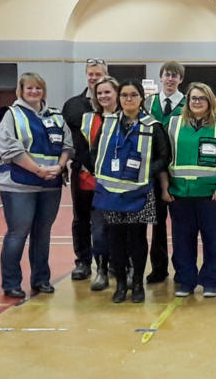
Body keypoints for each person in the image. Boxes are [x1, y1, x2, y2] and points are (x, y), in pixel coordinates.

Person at [0, 72, 73, 299]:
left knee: (42, 234)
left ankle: (41, 279)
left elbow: (67, 144)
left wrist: (59, 166)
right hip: (19, 185)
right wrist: (38, 171)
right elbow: (10, 149)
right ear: (21, 90)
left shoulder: (56, 116)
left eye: (38, 88)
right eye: (29, 88)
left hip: (51, 184)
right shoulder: (11, 115)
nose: (34, 92)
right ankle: (11, 283)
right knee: (18, 233)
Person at [92, 80, 170, 304]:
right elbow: (95, 152)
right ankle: (120, 285)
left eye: (133, 95)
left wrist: (145, 173)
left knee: (137, 239)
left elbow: (164, 157)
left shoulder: (152, 126)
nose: (128, 99)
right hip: (112, 192)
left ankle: (137, 283)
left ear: (141, 99)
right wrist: (102, 174)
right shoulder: (108, 123)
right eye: (124, 95)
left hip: (140, 192)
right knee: (115, 240)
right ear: (119, 98)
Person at [165, 82, 216, 298]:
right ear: (187, 101)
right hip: (180, 194)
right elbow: (164, 157)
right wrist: (164, 187)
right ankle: (185, 280)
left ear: (210, 101)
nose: (197, 102)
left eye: (201, 98)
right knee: (182, 240)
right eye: (193, 98)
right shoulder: (174, 124)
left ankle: (210, 281)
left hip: (212, 195)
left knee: (213, 239)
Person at [62, 58, 107, 282]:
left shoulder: (113, 107)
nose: (93, 78)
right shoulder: (72, 105)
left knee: (104, 222)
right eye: (90, 74)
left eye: (98, 74)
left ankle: (104, 265)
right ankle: (82, 262)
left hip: (108, 177)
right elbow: (63, 139)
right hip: (81, 174)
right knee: (80, 220)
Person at [77, 76, 121, 291]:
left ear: (117, 94)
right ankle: (101, 270)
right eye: (99, 93)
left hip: (123, 187)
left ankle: (124, 269)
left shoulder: (128, 118)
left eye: (108, 92)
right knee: (100, 231)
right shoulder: (88, 119)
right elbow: (82, 150)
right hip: (95, 186)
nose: (103, 96)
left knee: (123, 232)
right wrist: (99, 169)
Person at [143, 61, 186, 284]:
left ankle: (182, 268)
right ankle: (159, 268)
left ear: (181, 80)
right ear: (160, 77)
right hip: (154, 171)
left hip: (178, 172)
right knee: (157, 224)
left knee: (180, 226)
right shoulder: (148, 103)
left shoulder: (188, 104)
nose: (170, 79)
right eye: (167, 75)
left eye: (175, 76)